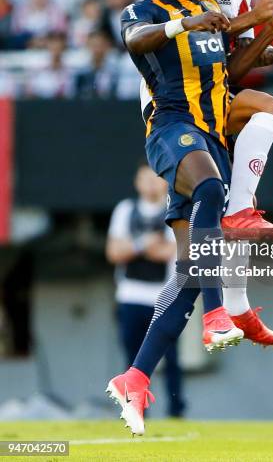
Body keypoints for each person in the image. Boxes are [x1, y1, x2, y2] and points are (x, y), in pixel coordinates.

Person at [106, 0, 273, 435]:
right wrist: (189, 22)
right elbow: (134, 42)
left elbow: (230, 65)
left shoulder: (205, 3)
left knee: (189, 273)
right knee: (211, 192)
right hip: (170, 128)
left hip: (209, 134)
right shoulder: (143, 12)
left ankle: (135, 378)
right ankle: (221, 313)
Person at [106, 164, 185, 418]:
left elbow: (167, 252)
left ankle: (176, 410)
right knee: (132, 358)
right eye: (144, 178)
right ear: (137, 182)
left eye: (155, 178)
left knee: (171, 359)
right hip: (130, 297)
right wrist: (143, 244)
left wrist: (135, 247)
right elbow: (114, 252)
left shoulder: (174, 212)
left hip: (163, 298)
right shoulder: (125, 210)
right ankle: (136, 408)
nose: (150, 183)